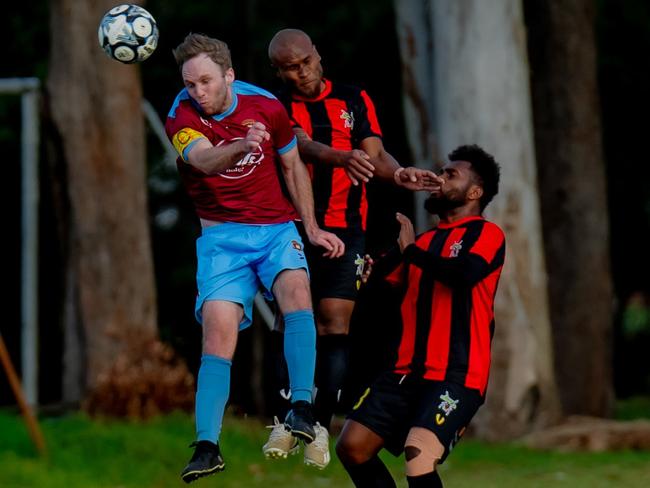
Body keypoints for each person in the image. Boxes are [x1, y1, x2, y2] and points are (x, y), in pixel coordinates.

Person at [164, 33, 345, 484]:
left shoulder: (266, 106)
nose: (197, 92)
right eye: (190, 84)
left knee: (298, 295)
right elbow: (204, 162)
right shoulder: (180, 115)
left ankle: (301, 408)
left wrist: (313, 227)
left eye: (205, 81)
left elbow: (290, 166)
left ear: (229, 76)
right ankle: (207, 445)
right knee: (217, 336)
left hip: (275, 229)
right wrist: (243, 146)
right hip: (222, 240)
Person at [263, 28, 438, 469]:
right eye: (288, 67)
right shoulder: (276, 105)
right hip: (294, 227)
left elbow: (376, 155)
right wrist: (341, 158)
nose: (299, 73)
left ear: (317, 55)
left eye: (304, 62)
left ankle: (318, 425)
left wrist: (398, 174)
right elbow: (301, 145)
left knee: (336, 323)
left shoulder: (353, 98)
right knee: (293, 318)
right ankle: (287, 418)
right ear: (278, 71)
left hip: (349, 227)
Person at [336, 145, 505, 488]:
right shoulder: (424, 242)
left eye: (451, 174)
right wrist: (373, 274)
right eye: (442, 172)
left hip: (457, 375)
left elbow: (463, 275)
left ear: (475, 192)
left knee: (419, 453)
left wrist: (410, 251)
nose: (441, 179)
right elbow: (389, 294)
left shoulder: (487, 234)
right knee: (352, 447)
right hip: (404, 373)